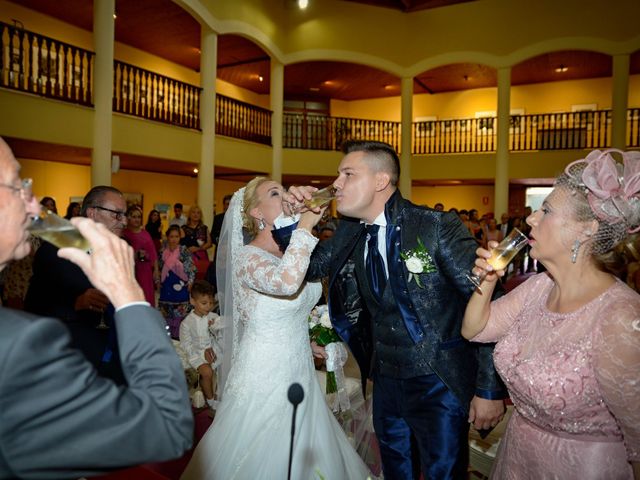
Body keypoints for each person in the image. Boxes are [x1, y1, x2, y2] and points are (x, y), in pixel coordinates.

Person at [290, 140, 506, 479]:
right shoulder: (349, 230)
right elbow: (306, 267)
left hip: (438, 379)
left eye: (348, 174)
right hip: (385, 379)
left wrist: (488, 389)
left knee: (443, 473)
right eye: (338, 175)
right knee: (396, 471)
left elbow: (487, 301)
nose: (336, 185)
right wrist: (296, 219)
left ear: (380, 180)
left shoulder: (435, 226)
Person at [0, 137, 193, 479]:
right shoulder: (19, 344)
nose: (33, 206)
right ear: (92, 214)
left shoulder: (117, 251)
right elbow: (168, 427)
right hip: (77, 341)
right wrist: (128, 297)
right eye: (17, 186)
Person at [462, 149, 640, 479]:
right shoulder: (539, 286)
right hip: (517, 456)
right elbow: (474, 330)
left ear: (587, 229)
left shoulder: (620, 317)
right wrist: (486, 282)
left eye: (546, 210)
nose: (530, 218)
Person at [181, 177, 373, 479]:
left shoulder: (296, 252)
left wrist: (309, 343)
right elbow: (285, 284)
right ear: (257, 213)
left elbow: (283, 313)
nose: (285, 196)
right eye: (275, 193)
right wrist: (305, 227)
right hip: (265, 374)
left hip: (299, 367)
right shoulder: (247, 258)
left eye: (285, 190)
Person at [25, 185, 130, 384]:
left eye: (124, 215)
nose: (124, 221)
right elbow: (34, 307)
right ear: (92, 213)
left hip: (113, 358)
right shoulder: (56, 250)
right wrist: (76, 304)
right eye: (117, 214)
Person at [179, 279, 222, 416]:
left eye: (211, 303)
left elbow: (220, 336)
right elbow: (187, 345)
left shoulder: (213, 317)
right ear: (192, 301)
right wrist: (201, 356)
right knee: (207, 372)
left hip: (215, 351)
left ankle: (218, 394)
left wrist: (215, 329)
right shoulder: (187, 323)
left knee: (227, 364)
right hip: (196, 354)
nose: (208, 307)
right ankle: (211, 402)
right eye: (204, 303)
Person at [159, 224, 196, 339]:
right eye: (171, 236)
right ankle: (167, 338)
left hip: (181, 287)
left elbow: (191, 267)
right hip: (167, 287)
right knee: (166, 317)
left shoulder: (183, 250)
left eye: (176, 236)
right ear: (167, 237)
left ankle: (180, 338)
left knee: (180, 318)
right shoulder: (162, 252)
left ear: (180, 237)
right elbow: (159, 268)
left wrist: (190, 281)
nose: (174, 239)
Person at [122, 205, 159, 306]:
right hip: (129, 270)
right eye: (134, 217)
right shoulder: (123, 234)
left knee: (145, 296)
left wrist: (156, 270)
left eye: (138, 217)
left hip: (144, 270)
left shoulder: (145, 234)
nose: (137, 219)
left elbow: (153, 253)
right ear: (128, 218)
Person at [181, 205, 212, 281]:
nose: (195, 214)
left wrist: (198, 248)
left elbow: (209, 243)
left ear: (200, 215)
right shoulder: (183, 228)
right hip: (188, 257)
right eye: (193, 212)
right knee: (188, 278)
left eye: (198, 213)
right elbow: (180, 244)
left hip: (202, 256)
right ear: (189, 215)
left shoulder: (204, 228)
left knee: (202, 277)